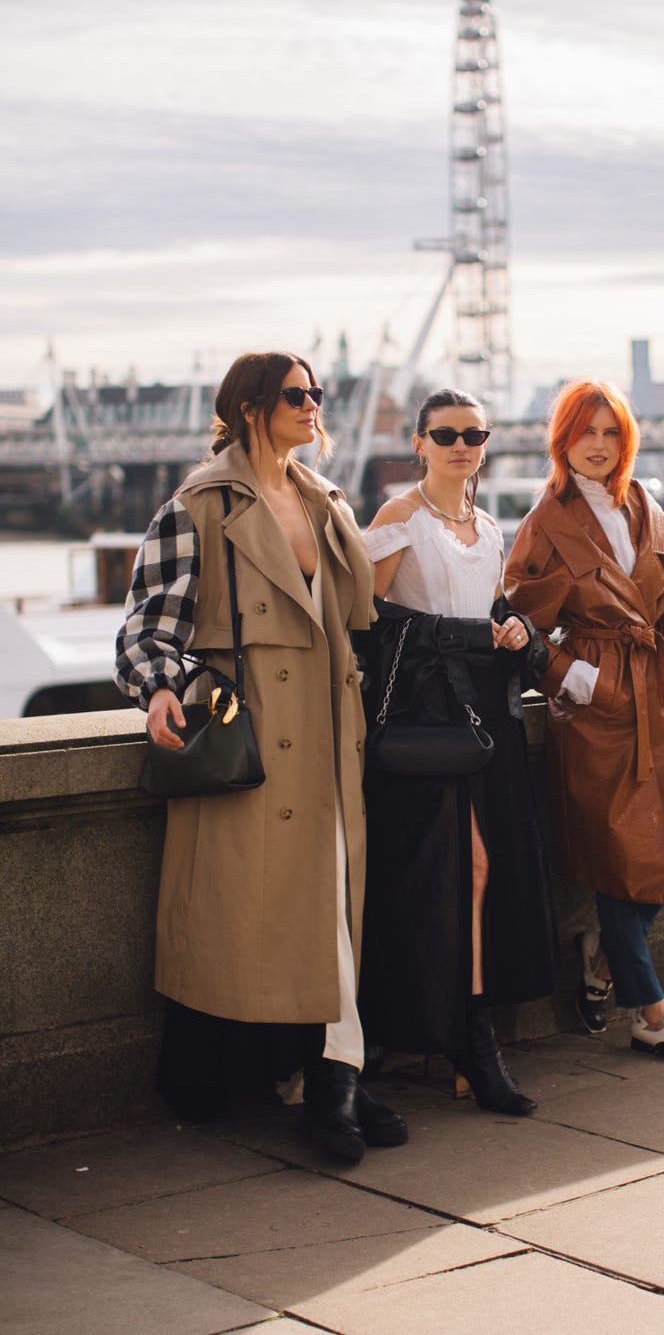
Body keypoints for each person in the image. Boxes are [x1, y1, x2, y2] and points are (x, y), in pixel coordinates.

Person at [115, 350, 408, 1161]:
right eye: (296, 395)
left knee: (332, 917)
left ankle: (332, 1078)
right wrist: (161, 691)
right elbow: (144, 629)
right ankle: (330, 1087)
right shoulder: (200, 506)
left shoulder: (321, 499)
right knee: (285, 920)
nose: (315, 405)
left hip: (329, 737)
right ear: (250, 408)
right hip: (257, 739)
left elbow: (358, 617)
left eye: (317, 393)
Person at [504, 379, 664, 1065]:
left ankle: (601, 961)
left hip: (660, 698)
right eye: (585, 432)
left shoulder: (642, 504)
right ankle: (652, 1011)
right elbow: (516, 626)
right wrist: (580, 681)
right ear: (562, 439)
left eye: (611, 432)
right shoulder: (546, 523)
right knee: (619, 855)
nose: (598, 446)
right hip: (597, 709)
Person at [357, 387, 556, 1115]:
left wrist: (506, 631)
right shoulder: (396, 518)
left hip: (487, 716)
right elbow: (367, 624)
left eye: (475, 434)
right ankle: (471, 1040)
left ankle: (460, 1033)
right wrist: (456, 637)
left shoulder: (490, 524)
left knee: (485, 868)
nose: (462, 446)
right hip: (426, 720)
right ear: (419, 443)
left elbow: (489, 607)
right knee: (457, 868)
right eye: (446, 435)